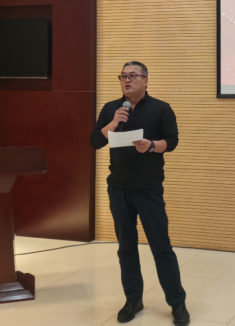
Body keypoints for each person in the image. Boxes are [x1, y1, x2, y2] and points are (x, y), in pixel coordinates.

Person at [90, 61, 190, 326]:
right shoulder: (112, 109)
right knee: (126, 248)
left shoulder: (161, 109)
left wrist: (152, 145)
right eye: (123, 76)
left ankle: (177, 302)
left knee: (161, 247)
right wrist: (113, 123)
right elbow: (95, 141)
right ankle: (133, 299)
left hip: (148, 189)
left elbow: (172, 141)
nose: (127, 80)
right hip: (119, 188)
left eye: (133, 75)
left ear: (146, 80)